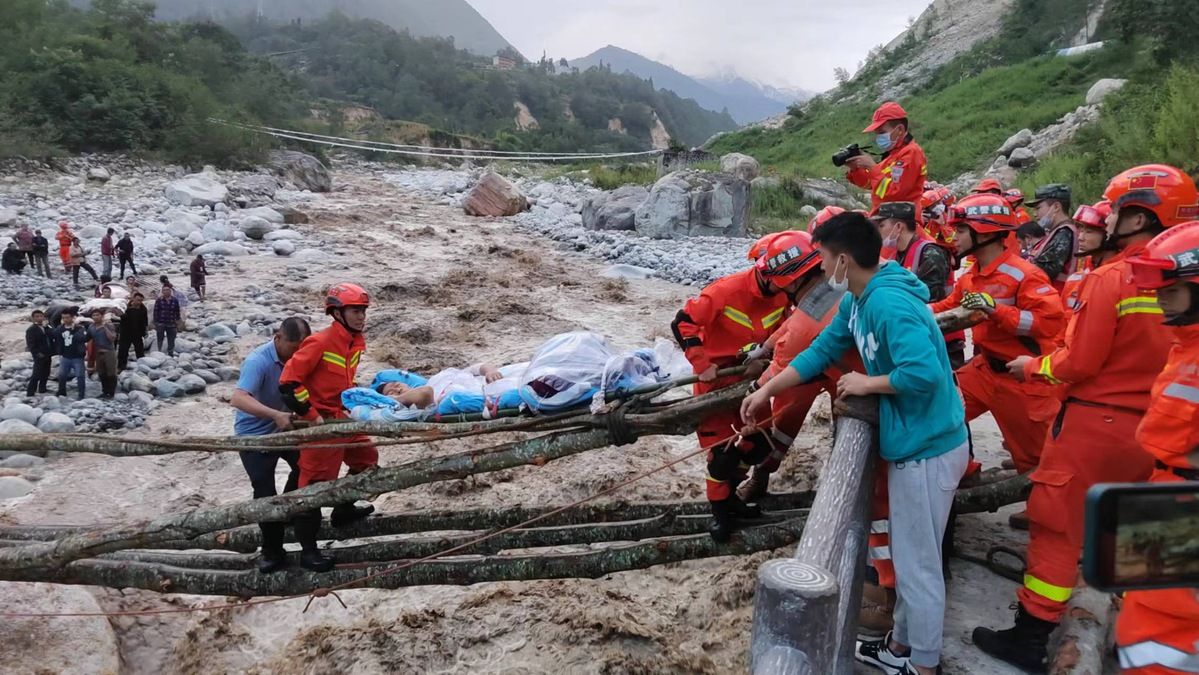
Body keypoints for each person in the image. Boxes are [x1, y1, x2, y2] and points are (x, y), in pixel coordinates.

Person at [973, 165, 1192, 672]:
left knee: (1056, 529)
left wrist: (1034, 367)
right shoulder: (1181, 283)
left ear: (1138, 216)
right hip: (1159, 432)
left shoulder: (1113, 278)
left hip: (1096, 424)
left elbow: (1079, 362)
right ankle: (1131, 620)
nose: (1107, 219)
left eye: (1114, 210)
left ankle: (1029, 637)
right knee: (1135, 534)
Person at [741, 212, 968, 675]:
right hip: (912, 437)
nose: (821, 270)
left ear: (843, 260)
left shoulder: (887, 305)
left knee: (918, 564)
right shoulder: (859, 298)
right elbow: (822, 350)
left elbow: (923, 374)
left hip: (928, 445)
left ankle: (922, 664)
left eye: (823, 259)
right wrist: (769, 389)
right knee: (909, 558)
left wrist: (869, 384)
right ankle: (902, 647)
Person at [930, 194, 1065, 481]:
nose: (954, 236)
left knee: (1038, 461)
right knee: (937, 414)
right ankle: (962, 470)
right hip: (984, 370)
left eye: (962, 230)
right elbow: (948, 307)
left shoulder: (1024, 275)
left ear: (986, 233)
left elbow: (1051, 323)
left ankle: (1040, 510)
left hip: (1022, 379)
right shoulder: (971, 276)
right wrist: (911, 311)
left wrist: (997, 312)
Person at [1118, 220, 1199, 674]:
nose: (1159, 294)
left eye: (1171, 283)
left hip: (1184, 509)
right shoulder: (1185, 344)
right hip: (1166, 493)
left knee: (1154, 631)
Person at [671, 240, 792, 541]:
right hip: (716, 383)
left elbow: (789, 331)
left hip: (754, 384)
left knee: (759, 445)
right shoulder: (725, 291)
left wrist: (764, 360)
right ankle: (721, 513)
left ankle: (732, 497)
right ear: (765, 272)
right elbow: (682, 323)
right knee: (721, 456)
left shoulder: (785, 296)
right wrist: (701, 363)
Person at [279, 283, 379, 572]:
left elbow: (342, 380)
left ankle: (343, 509)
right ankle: (309, 552)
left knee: (366, 457)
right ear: (337, 312)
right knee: (314, 485)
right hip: (321, 422)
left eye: (363, 311)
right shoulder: (320, 342)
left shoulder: (354, 342)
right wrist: (311, 415)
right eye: (355, 311)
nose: (361, 316)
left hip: (342, 415)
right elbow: (288, 383)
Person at [231, 318, 313, 574]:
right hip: (254, 436)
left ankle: (287, 510)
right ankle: (272, 551)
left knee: (307, 469)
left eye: (302, 347)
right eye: (294, 346)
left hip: (286, 430)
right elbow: (238, 398)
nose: (297, 353)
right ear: (278, 337)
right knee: (264, 492)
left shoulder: (299, 359)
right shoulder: (259, 361)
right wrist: (274, 414)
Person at [873, 201, 964, 368]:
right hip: (915, 338)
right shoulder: (895, 258)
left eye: (881, 224)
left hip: (942, 340)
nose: (878, 230)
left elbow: (928, 300)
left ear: (898, 227)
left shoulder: (931, 253)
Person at [845, 102, 929, 216]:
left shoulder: (911, 153)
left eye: (882, 132)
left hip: (901, 221)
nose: (878, 137)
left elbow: (895, 193)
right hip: (887, 218)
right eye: (877, 133)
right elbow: (870, 184)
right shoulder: (892, 156)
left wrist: (872, 167)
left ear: (899, 129)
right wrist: (855, 169)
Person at [1059, 201, 1115, 329]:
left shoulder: (1120, 278)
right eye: (1081, 230)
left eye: (1088, 232)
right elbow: (1062, 328)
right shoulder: (1074, 280)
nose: (1080, 237)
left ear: (1109, 235)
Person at [1026, 184, 1078, 290]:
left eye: (1038, 208)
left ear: (1056, 207)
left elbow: (1041, 271)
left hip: (1059, 297)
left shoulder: (1064, 233)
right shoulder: (1055, 232)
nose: (1035, 214)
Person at [53, 309, 90, 400]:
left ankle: (81, 394)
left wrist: (74, 331)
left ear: (73, 318)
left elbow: (84, 339)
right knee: (62, 375)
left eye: (67, 317)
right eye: (63, 318)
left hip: (77, 357)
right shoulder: (60, 328)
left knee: (80, 376)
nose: (65, 319)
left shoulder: (79, 328)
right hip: (65, 356)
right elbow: (54, 336)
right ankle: (62, 391)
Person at [87, 309, 119, 399]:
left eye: (98, 315)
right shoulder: (91, 327)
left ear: (102, 316)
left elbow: (112, 338)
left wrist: (105, 328)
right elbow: (87, 338)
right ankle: (105, 391)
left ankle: (111, 393)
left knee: (111, 373)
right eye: (94, 315)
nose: (96, 317)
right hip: (98, 352)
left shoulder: (109, 325)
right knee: (101, 373)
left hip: (109, 351)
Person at [118, 292, 149, 370]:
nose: (139, 302)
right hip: (125, 333)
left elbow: (145, 321)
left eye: (141, 301)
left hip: (138, 333)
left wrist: (145, 331)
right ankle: (121, 367)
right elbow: (120, 319)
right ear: (133, 299)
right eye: (138, 300)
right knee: (123, 351)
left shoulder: (143, 309)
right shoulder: (125, 307)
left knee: (140, 350)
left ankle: (142, 367)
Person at [25, 310, 52, 396]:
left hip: (48, 353)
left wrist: (47, 327)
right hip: (38, 355)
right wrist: (37, 354)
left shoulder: (46, 327)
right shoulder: (31, 329)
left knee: (46, 372)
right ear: (33, 318)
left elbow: (52, 336)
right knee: (36, 373)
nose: (39, 318)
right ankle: (30, 392)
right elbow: (31, 344)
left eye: (41, 316)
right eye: (37, 316)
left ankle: (42, 388)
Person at [153, 282, 181, 356]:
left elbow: (177, 311)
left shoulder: (175, 300)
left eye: (168, 290)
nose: (166, 291)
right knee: (160, 338)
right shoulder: (159, 300)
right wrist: (155, 322)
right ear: (162, 292)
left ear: (170, 291)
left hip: (171, 322)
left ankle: (170, 353)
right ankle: (159, 352)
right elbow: (155, 311)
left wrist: (178, 321)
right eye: (164, 290)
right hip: (161, 322)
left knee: (171, 339)